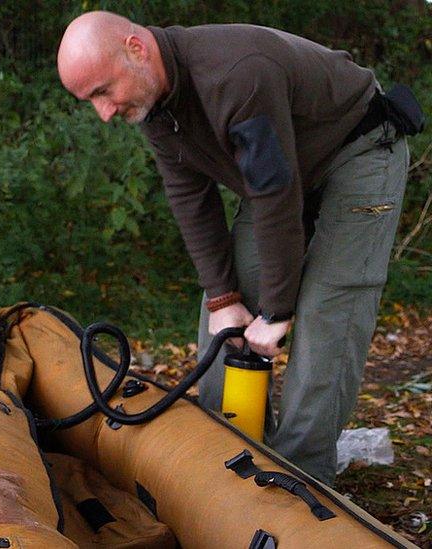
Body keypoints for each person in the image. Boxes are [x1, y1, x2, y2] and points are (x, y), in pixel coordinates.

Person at [57, 11, 418, 484]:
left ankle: (301, 480)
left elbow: (275, 196)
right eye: (90, 101)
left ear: (136, 49)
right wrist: (226, 298)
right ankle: (228, 459)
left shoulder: (236, 74)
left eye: (103, 92)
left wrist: (278, 309)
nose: (104, 113)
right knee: (222, 311)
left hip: (360, 149)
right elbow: (191, 198)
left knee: (330, 307)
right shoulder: (154, 104)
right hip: (285, 173)